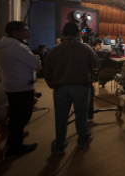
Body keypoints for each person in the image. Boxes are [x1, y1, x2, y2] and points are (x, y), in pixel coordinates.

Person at [44, 22, 100, 154]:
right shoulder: (85, 48)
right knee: (81, 115)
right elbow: (96, 64)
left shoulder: (55, 50)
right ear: (78, 33)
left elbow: (46, 71)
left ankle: (59, 144)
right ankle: (83, 138)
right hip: (81, 86)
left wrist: (53, 85)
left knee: (61, 117)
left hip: (60, 88)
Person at [0, 21, 41, 159]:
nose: (28, 33)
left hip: (11, 84)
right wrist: (36, 58)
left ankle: (15, 136)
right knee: (22, 116)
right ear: (15, 33)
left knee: (16, 115)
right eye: (26, 30)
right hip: (21, 87)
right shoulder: (17, 47)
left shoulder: (4, 44)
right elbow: (36, 64)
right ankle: (15, 147)